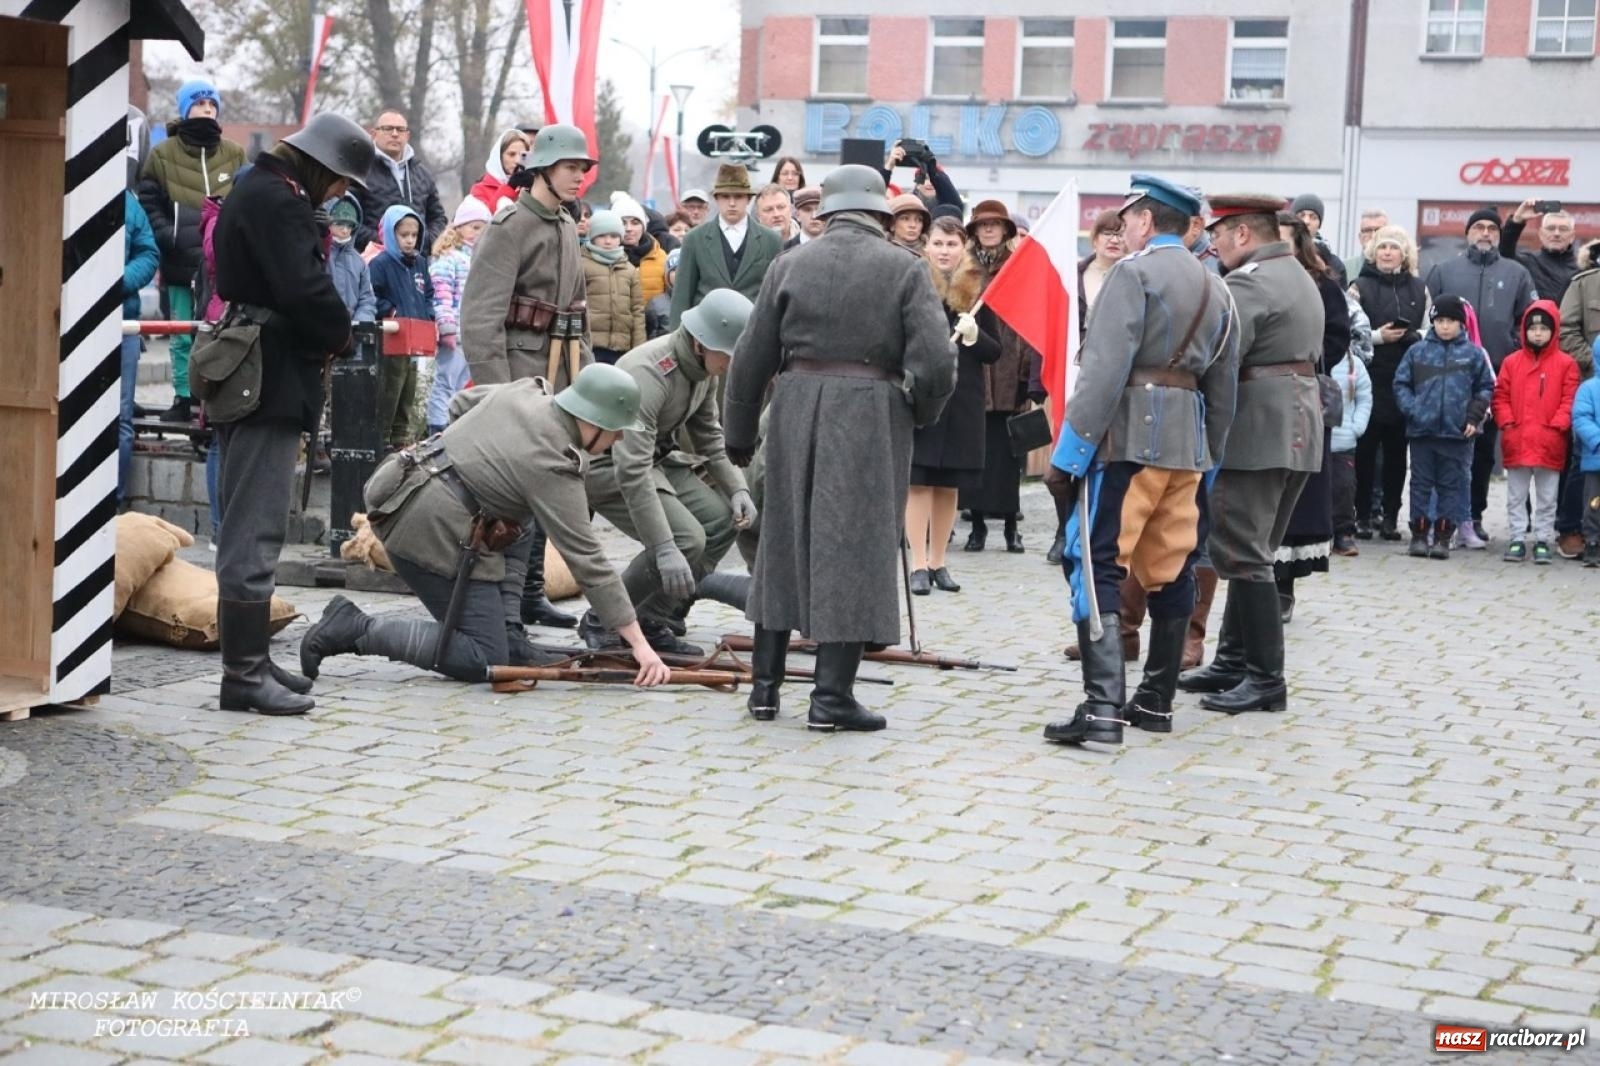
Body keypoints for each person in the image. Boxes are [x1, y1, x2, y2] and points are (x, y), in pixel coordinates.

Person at [723, 164, 955, 731]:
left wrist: (739, 432)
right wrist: (920, 412)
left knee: (783, 541)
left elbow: (750, 358)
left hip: (796, 407)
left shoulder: (788, 263)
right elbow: (935, 363)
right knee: (854, 545)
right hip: (872, 412)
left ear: (825, 211)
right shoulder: (905, 269)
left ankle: (764, 691)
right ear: (880, 212)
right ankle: (830, 700)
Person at [298, 366, 672, 688]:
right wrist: (640, 646)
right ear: (593, 420)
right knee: (485, 658)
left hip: (409, 486)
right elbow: (589, 561)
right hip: (424, 527)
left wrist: (469, 460)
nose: (620, 438)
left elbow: (460, 404)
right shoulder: (554, 464)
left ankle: (507, 629)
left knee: (519, 518)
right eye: (616, 429)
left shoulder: (528, 391)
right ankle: (356, 628)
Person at [1042, 175, 1238, 746]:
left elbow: (1103, 371)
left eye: (1127, 220)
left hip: (1126, 442)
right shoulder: (1216, 286)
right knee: (1171, 567)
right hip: (1187, 447)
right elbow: (1223, 385)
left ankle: (1102, 709)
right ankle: (1155, 702)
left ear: (1146, 221)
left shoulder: (1133, 274)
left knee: (1095, 562)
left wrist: (1071, 452)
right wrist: (1211, 455)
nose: (1122, 230)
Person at [210, 111, 375, 716]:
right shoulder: (279, 201)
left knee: (252, 524)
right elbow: (306, 290)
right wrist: (340, 332)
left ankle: (248, 663)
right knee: (254, 530)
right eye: (339, 182)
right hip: (270, 377)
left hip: (259, 370)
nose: (339, 194)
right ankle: (244, 674)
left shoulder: (259, 189)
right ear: (320, 165)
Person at [1178, 194, 1323, 716]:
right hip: (1293, 426)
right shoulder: (1295, 273)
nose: (1212, 243)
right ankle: (1234, 661)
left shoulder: (1250, 282)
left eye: (1218, 234)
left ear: (1243, 234)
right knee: (1250, 547)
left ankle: (1265, 678)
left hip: (1260, 431)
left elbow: (1219, 355)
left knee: (1244, 550)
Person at [460, 122, 597, 630]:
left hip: (558, 377)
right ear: (542, 168)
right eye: (569, 168)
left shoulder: (563, 223)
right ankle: (504, 604)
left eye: (582, 169)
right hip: (517, 376)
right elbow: (479, 317)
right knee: (513, 495)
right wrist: (497, 395)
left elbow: (574, 312)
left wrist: (584, 384)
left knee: (545, 484)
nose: (578, 177)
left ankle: (530, 595)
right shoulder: (509, 225)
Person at [581, 289, 755, 654]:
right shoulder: (648, 374)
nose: (734, 364)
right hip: (608, 465)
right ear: (701, 343)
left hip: (654, 461)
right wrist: (664, 549)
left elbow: (709, 434)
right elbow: (631, 470)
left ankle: (653, 617)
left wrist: (738, 489)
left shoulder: (704, 368)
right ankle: (604, 618)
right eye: (730, 354)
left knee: (723, 521)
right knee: (686, 540)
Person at [1424, 206, 1538, 547]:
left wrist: (1511, 349)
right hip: (1445, 376)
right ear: (1468, 233)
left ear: (1499, 235)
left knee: (1485, 451)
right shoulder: (1444, 271)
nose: (1485, 233)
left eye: (1492, 228)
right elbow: (1427, 316)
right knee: (1444, 449)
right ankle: (1436, 516)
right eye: (1479, 228)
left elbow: (1529, 319)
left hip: (1496, 376)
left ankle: (1473, 515)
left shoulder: (1516, 272)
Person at [137, 78, 247, 423]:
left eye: (212, 104)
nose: (207, 109)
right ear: (185, 108)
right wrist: (168, 237)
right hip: (179, 260)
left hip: (222, 264)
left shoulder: (234, 153)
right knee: (181, 332)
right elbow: (149, 202)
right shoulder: (162, 154)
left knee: (220, 331)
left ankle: (213, 399)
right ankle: (184, 396)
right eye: (199, 103)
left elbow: (245, 201)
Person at [907, 217, 1001, 596]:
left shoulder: (979, 292)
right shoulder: (912, 284)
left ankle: (938, 561)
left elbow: (996, 351)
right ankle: (917, 564)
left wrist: (976, 336)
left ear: (963, 247)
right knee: (918, 482)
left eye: (952, 244)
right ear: (926, 246)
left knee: (947, 485)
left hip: (963, 399)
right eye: (939, 244)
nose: (945, 251)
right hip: (923, 393)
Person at [1270, 212, 1349, 623]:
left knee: (1296, 496)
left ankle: (1284, 585)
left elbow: (1338, 335)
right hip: (1259, 400)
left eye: (1285, 240)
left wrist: (1303, 360)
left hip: (1303, 397)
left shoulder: (1322, 285)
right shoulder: (1251, 278)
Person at [1052, 210, 1127, 580]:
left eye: (1119, 233)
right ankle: (1063, 528)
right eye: (1106, 233)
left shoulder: (1131, 278)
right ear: (1093, 239)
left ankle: (1089, 531)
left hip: (1109, 379)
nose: (1113, 240)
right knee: (1062, 463)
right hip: (1071, 373)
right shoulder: (1073, 276)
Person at [1392, 295, 1494, 560]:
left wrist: (1473, 417)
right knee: (1420, 484)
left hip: (1456, 432)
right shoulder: (1417, 351)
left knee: (1451, 485)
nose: (1445, 326)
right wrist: (1414, 410)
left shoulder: (1473, 354)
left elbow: (1485, 387)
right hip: (1422, 432)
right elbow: (1401, 383)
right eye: (1439, 321)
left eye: (1450, 321)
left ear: (1461, 324)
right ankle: (1419, 534)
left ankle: (1442, 536)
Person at [961, 200, 1037, 554]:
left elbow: (1030, 323)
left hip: (1009, 370)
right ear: (974, 231)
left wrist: (1027, 374)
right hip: (976, 370)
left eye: (995, 225)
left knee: (1008, 458)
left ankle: (1011, 526)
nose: (989, 230)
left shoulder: (1019, 268)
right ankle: (976, 526)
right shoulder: (966, 268)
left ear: (1006, 230)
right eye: (983, 225)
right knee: (975, 454)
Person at [1352, 225, 1429, 542]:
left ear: (1404, 253)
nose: (1387, 252)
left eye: (1393, 247)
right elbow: (1348, 329)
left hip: (1405, 383)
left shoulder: (1419, 288)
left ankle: (1390, 518)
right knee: (1365, 455)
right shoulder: (1359, 287)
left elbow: (1431, 330)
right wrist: (1378, 337)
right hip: (1369, 381)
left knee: (1398, 456)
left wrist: (1409, 336)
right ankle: (1363, 516)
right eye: (1382, 247)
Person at [1493, 302, 1578, 564]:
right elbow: (1500, 396)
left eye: (1544, 328)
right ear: (1524, 331)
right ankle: (1517, 537)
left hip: (1549, 440)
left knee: (1547, 497)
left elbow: (1569, 398)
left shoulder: (1566, 364)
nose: (1538, 333)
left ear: (1554, 332)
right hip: (1517, 439)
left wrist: (1559, 423)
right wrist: (1507, 422)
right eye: (1533, 328)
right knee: (1516, 495)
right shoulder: (1511, 362)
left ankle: (1543, 538)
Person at [669, 164, 781, 327]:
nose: (732, 203)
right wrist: (677, 343)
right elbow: (682, 296)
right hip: (705, 334)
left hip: (754, 334)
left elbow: (775, 297)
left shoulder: (771, 240)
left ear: (749, 199)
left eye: (738, 196)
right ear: (716, 198)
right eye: (725, 196)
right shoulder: (694, 239)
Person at [369, 205, 433, 450]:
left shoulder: (420, 263)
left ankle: (405, 439)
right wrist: (391, 311)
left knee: (414, 389)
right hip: (394, 338)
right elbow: (373, 295)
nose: (409, 241)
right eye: (403, 235)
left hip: (419, 335)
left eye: (414, 235)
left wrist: (429, 315)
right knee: (392, 388)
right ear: (391, 234)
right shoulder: (381, 264)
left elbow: (428, 293)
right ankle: (384, 438)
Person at [427, 197, 491, 434]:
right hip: (454, 333)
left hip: (472, 334)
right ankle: (437, 429)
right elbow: (441, 295)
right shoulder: (449, 259)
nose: (478, 233)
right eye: (474, 227)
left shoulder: (480, 260)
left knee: (460, 385)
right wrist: (446, 326)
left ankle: (451, 429)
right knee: (444, 382)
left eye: (483, 229)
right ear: (459, 227)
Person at [1557, 239, 1600, 558]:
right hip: (1592, 386)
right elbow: (1566, 330)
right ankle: (1572, 528)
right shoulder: (1584, 284)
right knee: (1581, 460)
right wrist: (1595, 362)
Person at [358, 109, 449, 252]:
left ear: (407, 135)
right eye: (388, 129)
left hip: (418, 263)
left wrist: (426, 242)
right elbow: (350, 221)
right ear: (374, 133)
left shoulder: (422, 174)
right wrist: (384, 242)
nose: (395, 134)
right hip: (373, 261)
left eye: (400, 129)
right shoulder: (360, 171)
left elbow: (438, 217)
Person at [119, 191, 160, 504]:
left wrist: (117, 282)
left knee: (121, 420)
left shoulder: (129, 204)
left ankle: (113, 506)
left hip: (122, 324)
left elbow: (148, 253)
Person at [580, 209, 646, 365]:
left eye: (614, 236)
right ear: (593, 236)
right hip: (590, 346)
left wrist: (639, 348)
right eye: (602, 236)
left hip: (622, 348)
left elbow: (637, 311)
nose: (608, 241)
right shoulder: (581, 264)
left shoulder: (629, 269)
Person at [1330, 330, 1373, 558]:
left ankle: (1343, 533)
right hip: (1313, 439)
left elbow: (1364, 396)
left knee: (1344, 488)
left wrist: (1357, 426)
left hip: (1343, 439)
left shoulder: (1354, 364)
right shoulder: (1313, 359)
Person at [1500, 200, 1579, 303]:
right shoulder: (1528, 262)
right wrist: (1517, 221)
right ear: (1541, 234)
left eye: (1563, 229)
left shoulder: (1583, 269)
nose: (1556, 233)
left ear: (1572, 236)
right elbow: (1504, 254)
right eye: (1551, 228)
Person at [326, 194, 378, 324]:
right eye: (339, 224)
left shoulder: (359, 262)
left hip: (352, 333)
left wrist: (361, 323)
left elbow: (367, 299)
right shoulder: (318, 255)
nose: (345, 230)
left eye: (350, 225)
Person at [1571, 339, 1600, 567]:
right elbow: (1581, 418)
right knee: (1594, 502)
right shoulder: (1589, 388)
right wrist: (1597, 440)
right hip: (1596, 457)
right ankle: (1592, 541)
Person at [613, 195, 669, 305]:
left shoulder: (661, 257)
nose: (628, 228)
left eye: (635, 223)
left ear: (643, 226)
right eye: (623, 222)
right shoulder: (603, 257)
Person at [1288, 193, 1347, 288]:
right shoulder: (1284, 255)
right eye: (1301, 215)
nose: (1306, 221)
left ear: (1319, 224)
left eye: (1313, 217)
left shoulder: (1334, 263)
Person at [469, 128, 529, 211]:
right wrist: (510, 188)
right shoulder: (480, 189)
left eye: (523, 155)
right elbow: (487, 219)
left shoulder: (529, 187)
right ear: (499, 157)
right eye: (511, 154)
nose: (517, 161)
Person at [1344, 209, 1389, 282]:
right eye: (1367, 230)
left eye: (1379, 230)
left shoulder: (1401, 271)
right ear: (1360, 237)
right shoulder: (1345, 268)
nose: (1373, 235)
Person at [783, 186, 823, 251]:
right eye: (807, 210)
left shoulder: (841, 248)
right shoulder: (783, 251)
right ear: (797, 214)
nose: (814, 216)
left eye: (819, 209)